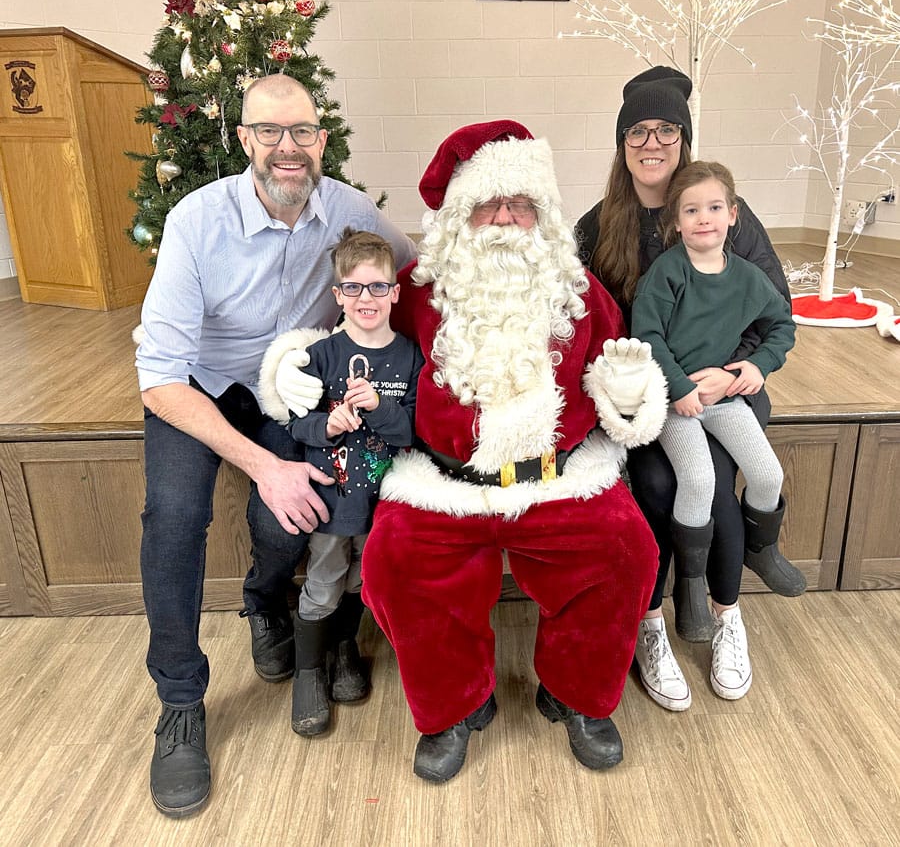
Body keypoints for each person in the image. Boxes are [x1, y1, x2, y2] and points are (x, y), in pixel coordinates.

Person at [264, 120, 669, 782]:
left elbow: (616, 382)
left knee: (628, 551)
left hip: (558, 482)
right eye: (490, 203)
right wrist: (294, 371)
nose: (506, 218)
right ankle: (455, 703)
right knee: (394, 564)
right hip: (443, 484)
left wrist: (626, 393)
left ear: (543, 215)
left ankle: (576, 694)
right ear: (459, 214)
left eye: (522, 204)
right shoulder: (413, 291)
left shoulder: (580, 293)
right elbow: (345, 345)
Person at [135, 73, 416, 818]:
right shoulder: (198, 220)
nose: (287, 150)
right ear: (244, 140)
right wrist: (262, 465)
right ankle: (180, 703)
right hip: (199, 387)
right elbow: (157, 378)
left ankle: (265, 605)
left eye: (303, 133)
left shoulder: (348, 208)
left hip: (287, 389)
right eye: (270, 133)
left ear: (322, 139)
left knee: (292, 514)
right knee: (173, 516)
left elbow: (413, 273)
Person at [575, 66, 805, 714]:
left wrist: (736, 372)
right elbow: (580, 316)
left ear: (684, 137)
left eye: (666, 130)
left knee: (725, 485)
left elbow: (772, 306)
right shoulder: (598, 226)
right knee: (656, 485)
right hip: (650, 395)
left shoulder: (720, 210)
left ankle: (723, 614)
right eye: (638, 132)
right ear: (622, 144)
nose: (652, 142)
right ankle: (651, 624)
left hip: (726, 384)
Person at [631, 160, 796, 700]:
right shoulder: (669, 272)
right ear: (675, 222)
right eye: (691, 210)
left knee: (767, 471)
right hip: (676, 402)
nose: (704, 218)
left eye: (714, 208)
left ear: (734, 215)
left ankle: (762, 549)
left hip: (722, 394)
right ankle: (694, 582)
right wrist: (679, 387)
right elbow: (647, 334)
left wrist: (754, 367)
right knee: (698, 479)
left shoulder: (748, 277)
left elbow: (782, 326)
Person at [281, 229, 424, 737]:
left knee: (362, 583)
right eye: (355, 288)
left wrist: (379, 408)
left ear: (395, 292)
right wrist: (328, 426)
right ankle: (309, 672)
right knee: (322, 584)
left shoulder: (409, 357)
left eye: (378, 287)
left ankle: (345, 652)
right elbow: (294, 423)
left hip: (382, 502)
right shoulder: (320, 357)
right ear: (338, 294)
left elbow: (412, 428)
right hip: (332, 502)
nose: (368, 299)